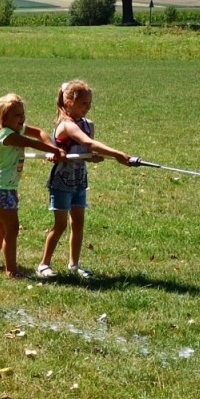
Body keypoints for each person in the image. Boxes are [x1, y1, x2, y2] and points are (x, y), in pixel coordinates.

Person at [36, 80, 138, 280]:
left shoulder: (88, 125)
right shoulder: (66, 126)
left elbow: (88, 151)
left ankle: (74, 264)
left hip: (79, 180)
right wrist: (117, 154)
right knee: (60, 225)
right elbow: (86, 142)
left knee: (79, 223)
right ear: (69, 102)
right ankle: (44, 264)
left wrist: (94, 157)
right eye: (83, 103)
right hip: (62, 181)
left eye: (89, 103)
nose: (88, 107)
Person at [0, 93, 66, 279]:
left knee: (0, 229)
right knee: (11, 230)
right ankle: (11, 270)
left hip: (3, 188)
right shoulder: (5, 135)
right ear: (3, 118)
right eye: (17, 115)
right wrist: (55, 150)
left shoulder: (17, 129)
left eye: (22, 113)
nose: (22, 118)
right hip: (1, 189)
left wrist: (51, 146)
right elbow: (30, 142)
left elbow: (39, 134)